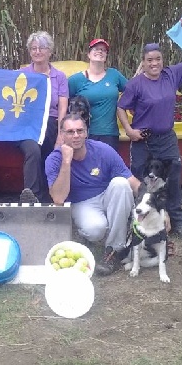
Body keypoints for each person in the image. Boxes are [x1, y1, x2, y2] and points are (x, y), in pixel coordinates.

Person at [117, 42, 182, 239]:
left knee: (173, 179)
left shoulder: (171, 75)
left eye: (158, 59)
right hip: (143, 140)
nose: (154, 63)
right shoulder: (135, 84)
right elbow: (121, 107)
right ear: (143, 63)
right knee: (140, 180)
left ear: (163, 60)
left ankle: (179, 222)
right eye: (149, 60)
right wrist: (129, 130)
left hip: (167, 139)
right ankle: (138, 224)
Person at [45, 113, 140, 276]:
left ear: (86, 132)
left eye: (80, 130)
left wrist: (158, 207)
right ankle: (92, 232)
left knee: (121, 184)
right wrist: (66, 162)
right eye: (70, 132)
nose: (76, 135)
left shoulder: (103, 150)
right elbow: (59, 199)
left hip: (107, 195)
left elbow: (132, 181)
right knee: (96, 230)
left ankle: (114, 251)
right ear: (61, 135)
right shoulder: (54, 160)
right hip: (82, 202)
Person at [16, 31, 68, 203]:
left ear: (50, 51)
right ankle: (32, 197)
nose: (37, 52)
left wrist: (61, 135)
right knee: (32, 150)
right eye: (34, 48)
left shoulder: (59, 77)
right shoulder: (21, 74)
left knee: (52, 154)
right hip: (26, 125)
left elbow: (62, 108)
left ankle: (51, 198)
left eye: (42, 48)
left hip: (51, 125)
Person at [68, 38, 128, 152]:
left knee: (107, 168)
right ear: (88, 54)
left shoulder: (114, 75)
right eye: (96, 49)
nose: (100, 51)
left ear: (106, 56)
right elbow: (63, 104)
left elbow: (132, 91)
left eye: (103, 50)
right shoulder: (75, 80)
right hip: (83, 135)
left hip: (109, 134)